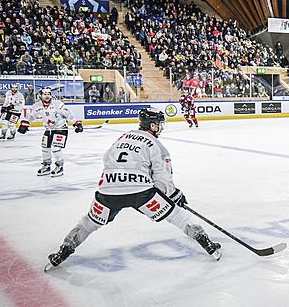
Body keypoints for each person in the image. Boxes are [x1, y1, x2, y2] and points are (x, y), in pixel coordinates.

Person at [44, 108, 221, 271]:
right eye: (160, 124)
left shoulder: (122, 137)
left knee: (89, 223)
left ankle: (65, 249)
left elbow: (107, 159)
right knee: (177, 216)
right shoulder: (156, 145)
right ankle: (206, 243)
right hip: (140, 193)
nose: (162, 128)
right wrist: (173, 196)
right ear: (152, 125)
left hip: (108, 190)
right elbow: (163, 180)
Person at [17, 87, 83, 177]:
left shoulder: (57, 104)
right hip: (49, 129)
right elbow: (30, 115)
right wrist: (24, 124)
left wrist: (76, 123)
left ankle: (59, 167)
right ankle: (46, 166)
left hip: (61, 128)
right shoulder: (37, 106)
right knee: (45, 148)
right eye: (45, 94)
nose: (47, 96)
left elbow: (68, 114)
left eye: (48, 94)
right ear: (41, 96)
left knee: (56, 148)